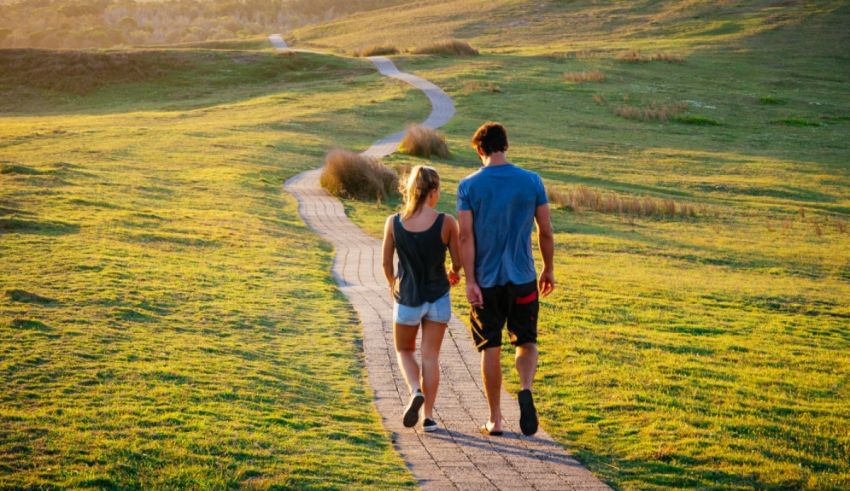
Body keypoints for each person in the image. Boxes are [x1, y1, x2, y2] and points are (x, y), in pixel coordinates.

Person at [457, 122, 555, 436]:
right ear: (506, 146)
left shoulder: (468, 186)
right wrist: (548, 268)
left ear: (480, 150)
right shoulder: (532, 181)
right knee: (526, 341)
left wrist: (470, 280)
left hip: (486, 282)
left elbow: (465, 238)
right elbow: (546, 231)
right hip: (524, 277)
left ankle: (496, 419)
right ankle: (525, 388)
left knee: (491, 347)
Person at [382, 165, 461, 432]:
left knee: (404, 350)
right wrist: (454, 273)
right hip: (438, 296)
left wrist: (394, 285)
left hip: (407, 298)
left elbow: (386, 264)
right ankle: (427, 417)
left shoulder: (394, 222)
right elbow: (458, 261)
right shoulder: (446, 221)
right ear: (434, 191)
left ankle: (415, 390)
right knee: (431, 357)